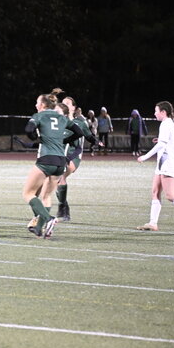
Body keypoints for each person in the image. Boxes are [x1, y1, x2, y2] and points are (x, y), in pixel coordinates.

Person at [22, 92, 83, 238]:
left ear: (43, 104)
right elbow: (79, 132)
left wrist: (34, 137)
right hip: (61, 162)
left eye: (37, 102)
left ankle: (49, 219)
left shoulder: (39, 115)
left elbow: (28, 130)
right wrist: (64, 140)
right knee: (46, 196)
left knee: (28, 193)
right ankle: (40, 228)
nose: (36, 105)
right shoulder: (62, 118)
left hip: (46, 159)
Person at [53, 99, 102, 221]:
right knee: (54, 180)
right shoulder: (58, 123)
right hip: (60, 155)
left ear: (73, 108)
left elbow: (88, 136)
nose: (64, 105)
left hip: (73, 156)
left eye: (67, 103)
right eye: (63, 103)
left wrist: (97, 142)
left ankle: (63, 209)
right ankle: (64, 208)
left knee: (60, 176)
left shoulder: (79, 122)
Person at [135, 101, 174, 231]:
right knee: (155, 191)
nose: (154, 114)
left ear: (163, 112)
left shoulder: (166, 124)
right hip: (163, 162)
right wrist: (162, 141)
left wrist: (145, 156)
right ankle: (153, 223)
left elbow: (161, 145)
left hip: (167, 163)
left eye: (156, 111)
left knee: (170, 195)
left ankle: (153, 223)